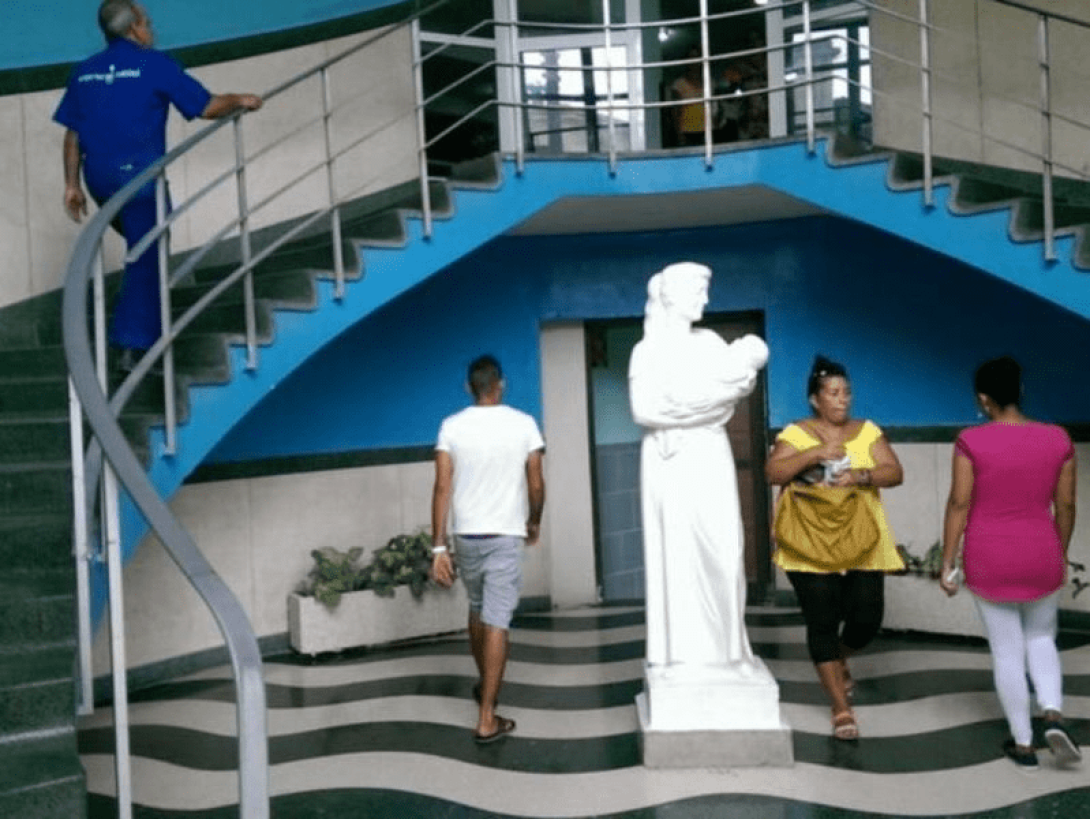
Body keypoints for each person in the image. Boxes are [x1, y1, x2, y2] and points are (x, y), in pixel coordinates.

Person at [54, 0, 263, 368]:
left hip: (98, 179)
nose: (152, 29)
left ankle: (139, 322)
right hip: (137, 177)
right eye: (148, 22)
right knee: (147, 251)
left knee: (145, 240)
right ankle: (131, 345)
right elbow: (207, 106)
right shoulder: (155, 65)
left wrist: (71, 186)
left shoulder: (85, 71)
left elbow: (73, 134)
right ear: (135, 28)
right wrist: (241, 99)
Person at [940, 356, 1081, 770]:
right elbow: (1067, 504)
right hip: (1041, 551)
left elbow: (959, 503)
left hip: (989, 556)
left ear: (984, 399)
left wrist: (948, 560)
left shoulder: (971, 441)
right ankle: (1052, 712)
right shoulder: (1058, 438)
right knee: (1042, 638)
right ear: (1020, 391)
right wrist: (1061, 549)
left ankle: (1022, 744)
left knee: (1006, 651)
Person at [628, 261, 769, 672]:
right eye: (698, 291)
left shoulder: (710, 343)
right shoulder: (646, 351)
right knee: (676, 555)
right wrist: (706, 405)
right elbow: (646, 410)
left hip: (709, 456)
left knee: (725, 552)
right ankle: (681, 654)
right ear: (673, 296)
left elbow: (731, 399)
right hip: (669, 461)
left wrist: (690, 406)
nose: (706, 300)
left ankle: (728, 650)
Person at [766, 355, 904, 741]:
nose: (842, 399)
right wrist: (813, 454)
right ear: (815, 399)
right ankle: (841, 708)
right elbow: (773, 472)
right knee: (822, 619)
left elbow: (895, 472)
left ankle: (840, 655)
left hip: (861, 537)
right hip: (806, 540)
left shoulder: (867, 431)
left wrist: (861, 475)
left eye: (846, 392)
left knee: (866, 618)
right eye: (833, 393)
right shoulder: (797, 432)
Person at [430, 355, 545, 744]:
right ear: (502, 384)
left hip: (466, 536)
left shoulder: (451, 426)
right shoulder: (524, 424)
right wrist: (535, 520)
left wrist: (438, 547)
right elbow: (536, 483)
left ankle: (485, 685)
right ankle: (486, 717)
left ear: (469, 387)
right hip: (505, 534)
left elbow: (442, 487)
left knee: (478, 610)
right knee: (497, 620)